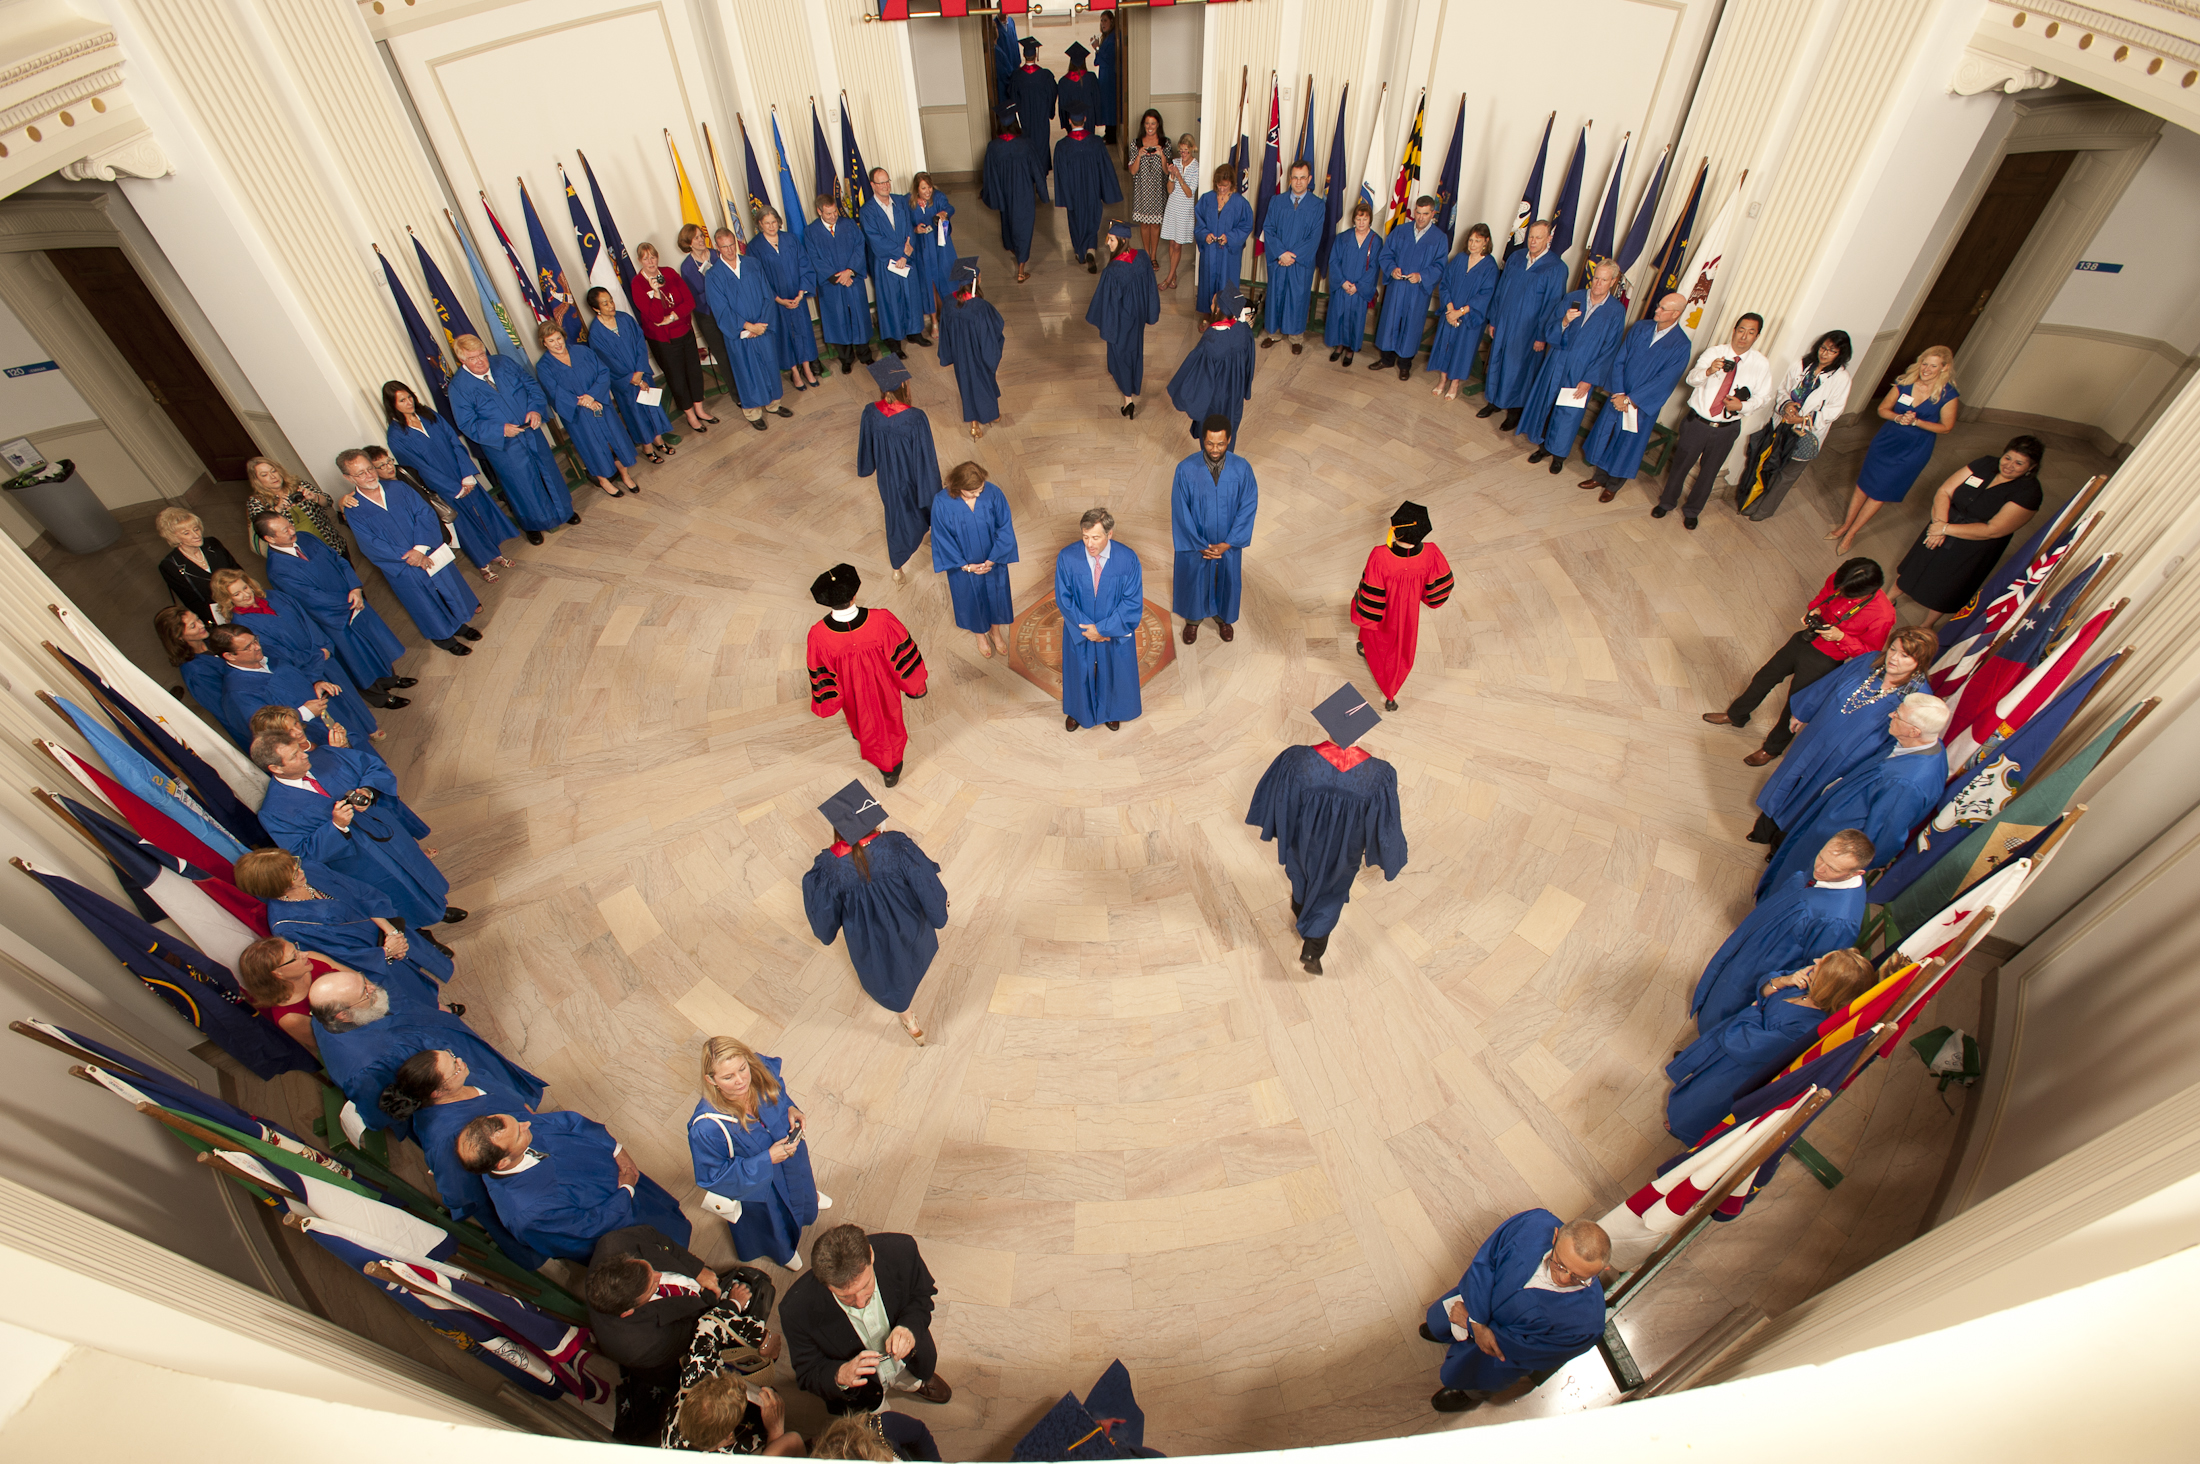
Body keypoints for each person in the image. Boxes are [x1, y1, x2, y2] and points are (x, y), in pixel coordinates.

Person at [1246, 684, 1409, 976]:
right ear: (1360, 734)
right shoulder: (1378, 775)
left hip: (1303, 839)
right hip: (1344, 849)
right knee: (1332, 890)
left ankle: (1300, 911)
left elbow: (1279, 799)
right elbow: (1385, 822)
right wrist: (1391, 852)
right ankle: (1313, 948)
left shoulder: (1297, 760)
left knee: (1300, 874)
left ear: (1329, 727)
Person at [252, 730, 465, 930]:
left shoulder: (326, 755)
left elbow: (373, 767)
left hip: (386, 834)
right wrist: (336, 826)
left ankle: (438, 908)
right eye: (294, 756)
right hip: (358, 860)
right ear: (276, 768)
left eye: (299, 748)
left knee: (416, 870)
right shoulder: (275, 812)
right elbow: (302, 853)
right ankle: (420, 932)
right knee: (395, 895)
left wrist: (368, 791)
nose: (303, 754)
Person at [1751, 626, 1936, 847]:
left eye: (1905, 656)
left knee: (1813, 795)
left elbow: (1898, 741)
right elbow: (1830, 683)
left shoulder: (1918, 698)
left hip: (1849, 755)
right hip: (1818, 734)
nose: (1894, 658)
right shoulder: (1869, 661)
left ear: (1920, 661)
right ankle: (1763, 829)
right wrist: (1803, 710)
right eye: (1893, 649)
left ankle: (1781, 843)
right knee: (1789, 776)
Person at [308, 966, 542, 1141]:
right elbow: (380, 1110)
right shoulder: (368, 1068)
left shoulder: (327, 1016)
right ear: (342, 1015)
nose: (373, 988)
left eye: (364, 981)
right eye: (364, 992)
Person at [1668, 949, 1877, 1143]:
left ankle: (1682, 1128)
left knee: (1702, 1101)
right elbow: (1765, 985)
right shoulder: (1806, 982)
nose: (1815, 961)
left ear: (1828, 986)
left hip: (1737, 1069)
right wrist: (1783, 981)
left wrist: (1753, 1011)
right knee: (1697, 1081)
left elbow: (1748, 1045)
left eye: (1821, 964)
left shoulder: (1808, 1028)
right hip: (1731, 1042)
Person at [1702, 557, 1895, 765]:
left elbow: (1869, 654)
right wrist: (1815, 610)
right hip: (1804, 639)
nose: (1840, 591)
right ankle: (1736, 714)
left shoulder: (1883, 614)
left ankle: (1772, 748)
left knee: (1795, 704)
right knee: (1764, 678)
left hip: (1826, 659)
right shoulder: (1839, 579)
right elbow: (1821, 598)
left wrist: (1841, 637)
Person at [1756, 694, 1952, 898]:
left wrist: (1860, 864)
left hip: (1836, 839)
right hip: (1832, 820)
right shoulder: (1922, 745)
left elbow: (1887, 833)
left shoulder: (1906, 783)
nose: (1891, 715)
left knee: (1796, 879)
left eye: (1898, 715)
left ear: (1914, 731)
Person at [801, 783, 948, 1046]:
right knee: (912, 958)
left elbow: (823, 922)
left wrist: (826, 931)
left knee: (889, 975)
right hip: (909, 925)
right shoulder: (896, 846)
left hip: (869, 938)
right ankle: (908, 1013)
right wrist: (939, 912)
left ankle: (909, 1020)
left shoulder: (829, 868)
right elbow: (925, 883)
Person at [1421, 1212, 1609, 1412]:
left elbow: (1532, 1352)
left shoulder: (1587, 1325)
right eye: (1560, 1264)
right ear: (1555, 1236)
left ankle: (1467, 1392)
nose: (1562, 1279)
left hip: (1498, 1354)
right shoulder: (1533, 1225)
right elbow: (1487, 1261)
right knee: (1441, 1320)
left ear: (1602, 1270)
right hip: (1473, 1301)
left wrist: (1471, 1322)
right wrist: (1476, 1319)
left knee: (1477, 1374)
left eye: (1578, 1278)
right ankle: (1445, 1330)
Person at [378, 1047, 546, 1269]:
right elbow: (460, 1194)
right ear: (438, 1092)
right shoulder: (445, 1140)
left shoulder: (464, 1078)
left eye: (452, 1056)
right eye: (454, 1067)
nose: (460, 1061)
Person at [1689, 830, 1873, 1032]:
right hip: (1755, 940)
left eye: (1832, 868)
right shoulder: (1827, 871)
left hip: (1766, 965)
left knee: (1728, 1005)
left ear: (1856, 873)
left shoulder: (1839, 922)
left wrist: (1778, 984)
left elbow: (1814, 968)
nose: (1819, 869)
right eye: (1821, 857)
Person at [459, 1109, 691, 1263]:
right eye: (519, 1134)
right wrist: (626, 1190)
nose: (527, 1123)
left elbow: (569, 1122)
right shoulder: (529, 1215)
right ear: (502, 1162)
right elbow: (589, 1230)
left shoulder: (513, 1129)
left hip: (624, 1179)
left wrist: (616, 1150)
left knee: (666, 1211)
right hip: (624, 1217)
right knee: (669, 1246)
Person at [233, 846, 453, 998]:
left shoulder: (312, 870)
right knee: (413, 991)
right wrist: (386, 952)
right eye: (292, 874)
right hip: (374, 959)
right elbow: (338, 955)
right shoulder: (287, 925)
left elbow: (361, 892)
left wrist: (391, 932)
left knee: (425, 959)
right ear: (274, 886)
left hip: (386, 930)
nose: (300, 871)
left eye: (295, 864)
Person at [780, 1224, 951, 1415]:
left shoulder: (902, 1250)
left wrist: (909, 1328)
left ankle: (915, 1383)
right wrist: (839, 1375)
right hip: (861, 1394)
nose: (860, 1303)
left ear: (871, 1254)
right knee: (874, 1415)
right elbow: (808, 1373)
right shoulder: (796, 1311)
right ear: (825, 1283)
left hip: (910, 1359)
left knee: (913, 1376)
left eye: (865, 1286)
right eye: (846, 1297)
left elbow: (922, 1294)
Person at [333, 449, 487, 659]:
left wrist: (420, 549)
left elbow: (424, 513)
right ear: (348, 478)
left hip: (427, 550)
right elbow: (370, 544)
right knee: (425, 603)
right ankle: (444, 638)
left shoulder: (398, 487)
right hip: (402, 565)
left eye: (370, 469)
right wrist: (410, 557)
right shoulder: (354, 509)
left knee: (449, 589)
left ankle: (460, 625)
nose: (369, 475)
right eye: (360, 473)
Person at [689, 1035, 827, 1268]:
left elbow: (778, 1089)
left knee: (802, 1183)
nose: (740, 1080)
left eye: (742, 1069)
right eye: (728, 1077)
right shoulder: (706, 1126)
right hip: (761, 1185)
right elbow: (712, 1177)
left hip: (791, 1157)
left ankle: (808, 1204)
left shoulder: (757, 1069)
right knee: (773, 1220)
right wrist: (767, 1159)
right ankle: (783, 1251)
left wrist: (791, 1108)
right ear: (711, 1079)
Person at [254, 510, 410, 695]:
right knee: (358, 659)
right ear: (269, 538)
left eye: (290, 525)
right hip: (333, 618)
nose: (292, 530)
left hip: (354, 599)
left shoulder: (306, 538)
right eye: (284, 530)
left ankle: (392, 678)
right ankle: (381, 696)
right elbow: (311, 598)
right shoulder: (277, 569)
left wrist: (355, 588)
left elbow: (339, 560)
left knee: (375, 642)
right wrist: (349, 603)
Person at [1894, 436, 2046, 626]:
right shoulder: (1985, 463)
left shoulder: (2030, 493)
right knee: (1916, 562)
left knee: (1949, 584)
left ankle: (1927, 625)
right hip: (1941, 523)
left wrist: (1944, 529)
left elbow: (1993, 530)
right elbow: (1944, 491)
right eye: (2007, 458)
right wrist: (1939, 526)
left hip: (1974, 544)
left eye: (2019, 463)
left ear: (2032, 467)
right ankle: (1890, 597)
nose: (2009, 465)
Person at [806, 563, 929, 787]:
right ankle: (891, 770)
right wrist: (915, 686)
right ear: (854, 594)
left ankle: (863, 738)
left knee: (859, 719)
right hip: (885, 689)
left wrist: (829, 703)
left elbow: (821, 672)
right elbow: (903, 658)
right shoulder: (882, 620)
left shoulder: (818, 634)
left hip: (852, 694)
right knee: (889, 723)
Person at [585, 1222, 767, 1373]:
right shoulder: (641, 1344)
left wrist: (697, 1270)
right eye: (652, 1286)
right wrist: (732, 1306)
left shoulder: (614, 1243)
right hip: (687, 1331)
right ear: (628, 1311)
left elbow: (658, 1239)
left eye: (650, 1268)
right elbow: (697, 1331)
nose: (659, 1275)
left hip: (694, 1293)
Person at [449, 334, 580, 539]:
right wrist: (501, 430)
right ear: (462, 360)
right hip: (504, 444)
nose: (481, 361)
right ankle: (532, 524)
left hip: (530, 430)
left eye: (482, 354)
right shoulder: (459, 387)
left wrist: (535, 409)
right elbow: (467, 423)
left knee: (549, 471)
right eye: (473, 358)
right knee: (521, 484)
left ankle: (564, 511)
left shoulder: (503, 363)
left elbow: (532, 386)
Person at [1831, 346, 1960, 554]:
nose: (1926, 369)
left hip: (1914, 451)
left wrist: (1917, 422)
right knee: (1863, 485)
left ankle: (1852, 533)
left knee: (1880, 492)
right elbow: (1882, 409)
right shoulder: (1905, 383)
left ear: (1944, 368)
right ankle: (1845, 525)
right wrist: (1898, 417)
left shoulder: (1948, 395)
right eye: (1924, 363)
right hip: (1886, 442)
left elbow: (1946, 427)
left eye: (1933, 366)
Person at [380, 385, 519, 579]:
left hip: (463, 475)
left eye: (409, 397)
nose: (409, 402)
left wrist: (467, 474)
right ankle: (482, 563)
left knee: (483, 514)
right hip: (443, 487)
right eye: (402, 400)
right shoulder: (396, 436)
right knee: (464, 526)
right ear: (392, 405)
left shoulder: (428, 414)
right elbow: (419, 468)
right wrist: (453, 488)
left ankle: (495, 553)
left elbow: (454, 441)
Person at [1657, 312, 1773, 529]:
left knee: (1709, 473)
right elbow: (1691, 379)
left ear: (1757, 336)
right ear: (1734, 330)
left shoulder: (1761, 364)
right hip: (1697, 423)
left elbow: (1763, 397)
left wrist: (1742, 406)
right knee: (1680, 465)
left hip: (1726, 429)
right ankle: (1666, 502)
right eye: (1741, 330)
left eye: (1751, 332)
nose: (1744, 336)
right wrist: (1710, 370)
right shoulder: (1714, 352)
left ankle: (1692, 511)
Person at [1578, 293, 1693, 501]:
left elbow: (1665, 380)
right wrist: (1619, 393)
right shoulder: (1641, 327)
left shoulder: (1681, 344)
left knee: (1627, 444)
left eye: (1663, 308)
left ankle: (1613, 485)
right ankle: (1599, 477)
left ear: (1676, 314)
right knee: (1606, 435)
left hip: (1641, 404)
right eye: (1658, 305)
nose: (1657, 310)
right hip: (1619, 394)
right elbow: (1620, 359)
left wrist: (1631, 400)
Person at [1514, 261, 1626, 473]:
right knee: (1546, 403)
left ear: (1612, 282)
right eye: (1596, 278)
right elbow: (1550, 328)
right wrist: (1565, 320)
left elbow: (1610, 349)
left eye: (1604, 280)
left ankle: (1559, 454)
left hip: (1583, 369)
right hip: (1557, 360)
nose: (1598, 283)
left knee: (1569, 413)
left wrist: (1589, 379)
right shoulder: (1573, 298)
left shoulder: (1615, 311)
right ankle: (1543, 446)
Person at [1734, 330, 1854, 522]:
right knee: (1769, 465)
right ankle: (1754, 502)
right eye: (1823, 348)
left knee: (1787, 475)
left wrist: (1802, 419)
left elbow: (1833, 411)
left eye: (1832, 351)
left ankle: (1766, 509)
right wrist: (1787, 405)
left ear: (1840, 354)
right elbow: (1783, 389)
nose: (1824, 354)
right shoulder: (1802, 364)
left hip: (1805, 432)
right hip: (1783, 424)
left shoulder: (1841, 378)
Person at [1351, 501, 1455, 711]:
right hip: (1408, 615)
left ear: (1396, 531)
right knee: (1399, 652)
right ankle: (1390, 696)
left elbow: (1370, 592)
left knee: (1374, 634)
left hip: (1382, 611)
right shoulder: (1432, 552)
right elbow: (1438, 590)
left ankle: (1367, 652)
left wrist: (1366, 614)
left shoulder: (1380, 555)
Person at [211, 625, 379, 751]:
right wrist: (303, 713)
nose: (257, 647)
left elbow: (299, 665)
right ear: (230, 656)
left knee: (366, 757)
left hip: (331, 719)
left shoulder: (267, 655)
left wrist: (314, 682)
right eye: (248, 647)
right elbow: (265, 731)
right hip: (311, 739)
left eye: (255, 640)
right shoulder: (239, 694)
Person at [1171, 417, 1258, 644]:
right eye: (1209, 443)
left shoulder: (1242, 469)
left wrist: (1228, 543)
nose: (1215, 449)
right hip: (1196, 543)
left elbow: (1248, 507)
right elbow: (1180, 511)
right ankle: (1193, 621)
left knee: (1226, 580)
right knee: (1194, 579)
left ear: (1229, 440)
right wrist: (1199, 544)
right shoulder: (1185, 469)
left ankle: (1223, 619)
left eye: (1220, 443)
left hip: (1227, 543)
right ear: (1202, 439)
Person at [533, 322, 642, 500]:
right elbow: (554, 392)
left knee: (616, 439)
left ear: (563, 336)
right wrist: (582, 402)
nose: (557, 343)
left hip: (599, 403)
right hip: (578, 414)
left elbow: (603, 372)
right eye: (551, 341)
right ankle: (603, 480)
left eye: (559, 338)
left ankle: (625, 475)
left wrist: (592, 396)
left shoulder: (582, 351)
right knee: (591, 446)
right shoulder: (544, 366)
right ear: (543, 343)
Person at [856, 359, 941, 586]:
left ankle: (897, 569)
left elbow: (866, 446)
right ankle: (928, 537)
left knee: (895, 516)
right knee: (922, 507)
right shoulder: (915, 417)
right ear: (903, 385)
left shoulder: (870, 412)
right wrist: (932, 488)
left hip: (887, 478)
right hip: (913, 477)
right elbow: (926, 457)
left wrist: (867, 466)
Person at [1057, 508, 1142, 733]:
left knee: (1114, 667)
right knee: (1078, 667)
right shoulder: (1067, 557)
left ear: (1109, 534)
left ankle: (1113, 710)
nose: (1089, 544)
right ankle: (1078, 710)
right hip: (1080, 627)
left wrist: (1104, 629)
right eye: (1085, 537)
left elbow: (1132, 602)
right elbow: (1064, 599)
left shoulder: (1128, 559)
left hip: (1112, 630)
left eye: (1095, 537)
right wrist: (1088, 630)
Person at [1476, 220, 1567, 427]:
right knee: (1497, 360)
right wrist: (1494, 319)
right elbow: (1500, 290)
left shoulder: (1556, 268)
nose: (1533, 241)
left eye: (1539, 238)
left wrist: (1541, 336)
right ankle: (1494, 401)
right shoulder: (1516, 257)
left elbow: (1553, 305)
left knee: (1519, 369)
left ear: (1548, 239)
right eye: (1531, 236)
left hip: (1529, 330)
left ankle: (1514, 411)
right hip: (1505, 322)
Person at [704, 230, 795, 431]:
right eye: (724, 247)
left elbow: (767, 295)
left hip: (762, 328)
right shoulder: (713, 275)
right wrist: (747, 327)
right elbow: (720, 309)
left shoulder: (752, 264)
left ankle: (773, 405)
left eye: (732, 245)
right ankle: (753, 413)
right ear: (717, 248)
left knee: (769, 366)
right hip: (739, 335)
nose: (729, 250)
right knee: (747, 372)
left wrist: (761, 324)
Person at [929, 461, 1017, 661]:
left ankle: (995, 631)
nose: (978, 495)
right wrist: (965, 566)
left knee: (997, 597)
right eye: (972, 492)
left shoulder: (993, 493)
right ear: (958, 487)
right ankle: (980, 636)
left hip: (993, 561)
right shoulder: (942, 502)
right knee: (971, 600)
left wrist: (993, 559)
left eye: (980, 490)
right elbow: (942, 537)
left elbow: (1005, 526)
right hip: (963, 567)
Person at [583, 287, 678, 463]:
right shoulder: (596, 333)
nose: (611, 305)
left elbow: (640, 344)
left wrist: (640, 371)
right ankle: (647, 447)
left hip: (642, 373)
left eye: (611, 300)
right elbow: (607, 361)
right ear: (596, 308)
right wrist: (632, 378)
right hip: (625, 382)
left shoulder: (625, 318)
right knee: (636, 413)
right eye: (605, 303)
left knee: (651, 407)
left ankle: (658, 440)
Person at [667, 1334, 804, 1456]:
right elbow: (792, 1442)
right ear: (729, 1436)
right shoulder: (737, 1454)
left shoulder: (691, 1379)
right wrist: (775, 1433)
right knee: (792, 1440)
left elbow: (708, 1326)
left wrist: (764, 1338)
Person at [632, 241, 717, 436]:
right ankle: (690, 415)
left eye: (653, 257)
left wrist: (671, 317)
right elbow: (654, 317)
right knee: (677, 377)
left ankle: (699, 409)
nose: (651, 261)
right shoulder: (637, 284)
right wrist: (655, 293)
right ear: (639, 261)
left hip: (684, 331)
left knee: (694, 371)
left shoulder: (669, 273)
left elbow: (689, 302)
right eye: (646, 258)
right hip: (664, 340)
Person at [1086, 219, 1161, 416]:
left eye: (1111, 239)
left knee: (1119, 356)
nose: (1107, 243)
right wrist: (1148, 311)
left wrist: (1107, 325)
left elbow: (1106, 304)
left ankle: (1128, 399)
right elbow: (1150, 288)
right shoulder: (1142, 257)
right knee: (1134, 352)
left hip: (1121, 322)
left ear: (1121, 240)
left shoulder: (1113, 271)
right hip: (1137, 319)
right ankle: (1130, 396)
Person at [1368, 196, 1447, 380]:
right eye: (1418, 213)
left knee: (1412, 325)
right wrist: (1392, 269)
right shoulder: (1401, 230)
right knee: (1390, 321)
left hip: (1417, 290)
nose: (1420, 217)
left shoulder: (1439, 238)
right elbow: (1386, 254)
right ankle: (1386, 359)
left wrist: (1422, 276)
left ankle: (1404, 365)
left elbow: (1440, 266)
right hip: (1397, 286)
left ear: (1433, 213)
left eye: (1425, 214)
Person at [1167, 290, 1256, 442]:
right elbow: (1249, 363)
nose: (1210, 306)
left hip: (1215, 399)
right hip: (1235, 393)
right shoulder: (1244, 331)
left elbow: (1200, 376)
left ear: (1219, 309)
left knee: (1211, 434)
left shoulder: (1211, 340)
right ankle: (1227, 456)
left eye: (1213, 303)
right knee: (1229, 430)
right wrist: (1244, 389)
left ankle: (1211, 457)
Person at [750, 209, 823, 392]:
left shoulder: (790, 239)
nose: (771, 226)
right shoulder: (754, 247)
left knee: (803, 332)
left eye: (774, 221)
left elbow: (804, 265)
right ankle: (794, 372)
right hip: (775, 302)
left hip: (797, 297)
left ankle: (807, 368)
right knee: (784, 335)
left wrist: (801, 293)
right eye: (767, 223)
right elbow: (758, 279)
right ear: (760, 224)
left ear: (779, 221)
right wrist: (778, 299)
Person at [862, 168, 931, 357]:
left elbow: (910, 229)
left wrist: (906, 255)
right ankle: (894, 341)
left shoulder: (900, 201)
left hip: (906, 259)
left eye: (887, 181)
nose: (885, 186)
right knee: (891, 301)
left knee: (911, 296)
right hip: (886, 263)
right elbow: (875, 240)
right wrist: (901, 252)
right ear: (872, 185)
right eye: (881, 183)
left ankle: (914, 332)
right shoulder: (867, 211)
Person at [1258, 161, 1323, 354]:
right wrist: (1281, 253)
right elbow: (1268, 229)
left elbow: (1314, 238)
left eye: (1303, 178)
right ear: (1290, 178)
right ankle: (1274, 334)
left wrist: (1292, 256)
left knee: (1298, 297)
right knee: (1276, 295)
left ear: (1309, 179)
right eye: (1295, 177)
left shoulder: (1317, 205)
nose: (1298, 182)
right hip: (1279, 260)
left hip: (1300, 263)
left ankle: (1296, 337)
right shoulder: (1276, 201)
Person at [936, 257, 1005, 440]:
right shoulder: (981, 307)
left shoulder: (948, 303)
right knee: (984, 384)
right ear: (976, 281)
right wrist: (992, 356)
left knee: (966, 386)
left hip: (960, 355)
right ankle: (990, 416)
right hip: (979, 356)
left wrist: (950, 353)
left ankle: (975, 425)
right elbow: (993, 331)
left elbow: (945, 332)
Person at [1426, 224, 1497, 398]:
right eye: (1471, 240)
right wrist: (1450, 309)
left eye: (1477, 241)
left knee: (1461, 351)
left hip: (1470, 317)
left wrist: (1460, 312)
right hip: (1450, 313)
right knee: (1445, 346)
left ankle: (1454, 384)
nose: (1473, 244)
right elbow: (1445, 284)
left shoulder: (1490, 267)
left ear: (1486, 242)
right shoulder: (1459, 258)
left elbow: (1485, 295)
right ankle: (1442, 380)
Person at [156, 606, 244, 745]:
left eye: (197, 619)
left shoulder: (210, 641)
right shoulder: (196, 673)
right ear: (179, 637)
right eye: (193, 626)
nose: (201, 625)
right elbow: (227, 710)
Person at [805, 196, 873, 371]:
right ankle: (846, 359)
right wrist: (838, 277)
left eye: (835, 211)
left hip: (852, 279)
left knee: (859, 316)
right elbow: (815, 259)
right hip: (832, 284)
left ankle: (865, 355)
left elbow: (860, 247)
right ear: (819, 211)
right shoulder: (811, 232)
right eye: (829, 213)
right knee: (838, 319)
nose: (834, 216)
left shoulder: (848, 224)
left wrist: (850, 271)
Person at [1052, 112, 1123, 273]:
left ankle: (1080, 253)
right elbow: (1105, 168)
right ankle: (1091, 249)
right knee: (1092, 218)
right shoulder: (1096, 142)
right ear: (1085, 119)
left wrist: (1064, 195)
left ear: (1069, 121)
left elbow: (1060, 174)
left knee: (1075, 220)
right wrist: (1106, 190)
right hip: (1092, 189)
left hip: (1073, 192)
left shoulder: (1062, 145)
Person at [979, 111, 1044, 284]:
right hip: (1023, 192)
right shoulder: (1026, 144)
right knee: (1023, 226)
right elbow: (1037, 170)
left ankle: (1013, 249)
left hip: (1004, 193)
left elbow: (989, 175)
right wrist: (1043, 194)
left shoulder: (993, 147)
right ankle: (1021, 270)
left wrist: (990, 194)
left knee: (1008, 222)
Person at [243, 455, 349, 561]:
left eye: (273, 471)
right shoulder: (256, 501)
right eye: (264, 475)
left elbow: (328, 501)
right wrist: (278, 509)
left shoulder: (297, 484)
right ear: (257, 480)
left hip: (332, 543)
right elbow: (261, 527)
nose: (272, 476)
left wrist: (315, 497)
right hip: (304, 555)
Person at [232, 936, 325, 1056]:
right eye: (295, 956)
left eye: (296, 949)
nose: (304, 954)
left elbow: (349, 973)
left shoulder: (310, 959)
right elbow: (325, 1043)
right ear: (277, 974)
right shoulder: (290, 1018)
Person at [155, 508, 243, 623]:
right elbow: (192, 602)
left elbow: (238, 571)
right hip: (219, 616)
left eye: (196, 529)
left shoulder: (212, 543)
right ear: (174, 537)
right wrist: (223, 617)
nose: (196, 535)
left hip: (243, 600)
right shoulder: (170, 566)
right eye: (186, 533)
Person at [679, 222, 735, 395]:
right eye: (696, 238)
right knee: (722, 354)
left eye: (701, 236)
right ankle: (736, 393)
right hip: (707, 315)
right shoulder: (687, 267)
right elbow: (695, 298)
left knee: (736, 347)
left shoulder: (717, 254)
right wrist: (716, 290)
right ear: (688, 243)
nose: (701, 240)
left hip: (728, 309)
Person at [1324, 200, 1383, 368]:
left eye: (1365, 219)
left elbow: (1374, 268)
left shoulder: (1375, 241)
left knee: (1355, 320)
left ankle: (1350, 350)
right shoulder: (1343, 238)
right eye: (1358, 219)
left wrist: (1358, 286)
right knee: (1338, 316)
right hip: (1342, 288)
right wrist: (1342, 283)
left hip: (1359, 290)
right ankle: (1339, 346)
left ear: (1370, 220)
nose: (1361, 222)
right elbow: (1334, 261)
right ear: (1353, 219)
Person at [1192, 164, 1252, 318]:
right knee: (1208, 281)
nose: (1222, 189)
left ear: (1231, 183)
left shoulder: (1240, 203)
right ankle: (1208, 315)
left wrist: (1229, 237)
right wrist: (1205, 235)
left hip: (1228, 253)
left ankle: (1228, 318)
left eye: (1225, 185)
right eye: (1219, 185)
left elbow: (1246, 226)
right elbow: (1199, 223)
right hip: (1210, 251)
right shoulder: (1207, 199)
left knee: (1228, 283)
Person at [1005, 35, 1056, 183]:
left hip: (1024, 119)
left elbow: (1012, 98)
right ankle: (1041, 176)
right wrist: (1048, 111)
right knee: (1041, 144)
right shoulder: (1045, 76)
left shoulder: (1017, 76)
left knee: (1026, 144)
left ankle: (1029, 177)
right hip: (1041, 119)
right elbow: (1053, 94)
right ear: (1036, 55)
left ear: (1023, 54)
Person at [908, 175, 955, 331]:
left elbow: (950, 208)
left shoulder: (938, 196)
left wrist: (944, 213)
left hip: (939, 246)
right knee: (929, 283)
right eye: (923, 188)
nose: (928, 191)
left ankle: (947, 317)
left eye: (929, 187)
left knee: (945, 279)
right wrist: (915, 230)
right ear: (916, 189)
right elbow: (906, 223)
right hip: (922, 248)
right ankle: (934, 321)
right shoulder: (909, 202)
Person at [1126, 109, 1170, 263]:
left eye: (1153, 123)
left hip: (1158, 189)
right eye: (1147, 123)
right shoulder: (1135, 143)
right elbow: (1132, 171)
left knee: (1156, 225)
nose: (1150, 127)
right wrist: (1139, 155)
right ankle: (1146, 254)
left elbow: (1167, 171)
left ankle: (1153, 256)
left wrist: (1161, 155)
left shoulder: (1165, 143)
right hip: (1142, 189)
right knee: (1144, 224)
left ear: (1158, 124)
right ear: (1143, 125)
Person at [1158, 135, 1199, 291]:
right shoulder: (1175, 163)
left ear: (1192, 149)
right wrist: (1172, 176)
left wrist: (1179, 176)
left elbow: (1189, 193)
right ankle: (1173, 274)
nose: (1183, 154)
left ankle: (1169, 278)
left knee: (1177, 245)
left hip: (1184, 209)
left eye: (1186, 151)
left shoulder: (1196, 167)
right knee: (1171, 243)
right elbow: (1169, 190)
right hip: (1173, 206)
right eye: (1181, 150)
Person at [1056, 40, 1099, 133]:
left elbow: (1062, 105)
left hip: (1072, 120)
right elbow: (1097, 100)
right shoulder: (1091, 78)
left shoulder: (1063, 82)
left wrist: (1064, 122)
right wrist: (1097, 119)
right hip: (1089, 118)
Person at [1092, 14, 1120, 143]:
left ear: (1112, 21)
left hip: (1110, 75)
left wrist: (1097, 47)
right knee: (1106, 104)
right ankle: (1108, 132)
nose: (1103, 23)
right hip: (1105, 74)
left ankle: (1111, 134)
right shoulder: (1107, 37)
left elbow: (1109, 58)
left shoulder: (1113, 38)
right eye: (1101, 21)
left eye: (1105, 20)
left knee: (1110, 104)